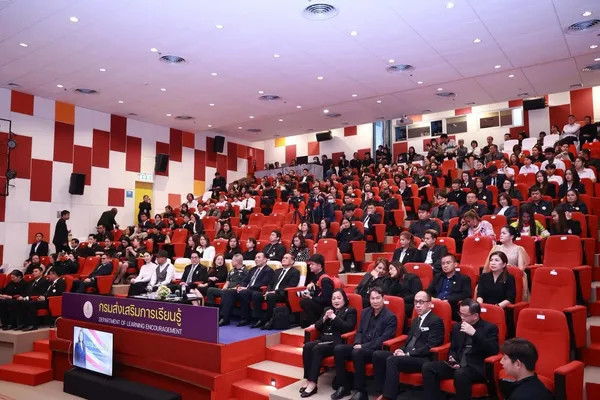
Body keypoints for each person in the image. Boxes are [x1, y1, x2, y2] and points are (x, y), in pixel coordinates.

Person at [372, 291, 445, 400]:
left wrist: (408, 354)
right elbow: (408, 340)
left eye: (421, 302)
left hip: (422, 358)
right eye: (416, 302)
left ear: (429, 304)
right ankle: (382, 390)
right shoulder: (415, 320)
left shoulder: (436, 321)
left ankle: (389, 396)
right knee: (378, 355)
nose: (418, 305)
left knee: (392, 360)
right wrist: (401, 350)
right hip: (407, 355)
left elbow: (430, 346)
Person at [422, 299, 499, 400]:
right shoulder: (457, 326)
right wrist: (452, 358)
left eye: (465, 315)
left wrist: (474, 334)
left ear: (475, 315)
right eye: (460, 314)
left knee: (461, 373)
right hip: (457, 363)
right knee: (428, 367)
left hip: (475, 367)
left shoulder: (490, 328)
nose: (462, 317)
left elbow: (493, 350)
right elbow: (453, 348)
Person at [330, 287, 397, 400]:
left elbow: (383, 338)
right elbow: (359, 331)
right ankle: (343, 385)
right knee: (339, 349)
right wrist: (357, 342)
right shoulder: (365, 312)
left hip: (374, 350)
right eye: (372, 298)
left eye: (378, 298)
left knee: (358, 352)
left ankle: (361, 391)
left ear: (383, 298)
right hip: (360, 345)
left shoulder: (390, 317)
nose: (375, 301)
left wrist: (362, 346)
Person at [300, 289, 357, 398]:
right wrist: (324, 318)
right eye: (333, 298)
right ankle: (308, 379)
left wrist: (335, 318)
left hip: (336, 342)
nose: (336, 301)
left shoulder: (350, 311)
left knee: (317, 349)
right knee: (307, 346)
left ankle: (313, 383)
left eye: (339, 298)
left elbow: (348, 328)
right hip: (323, 339)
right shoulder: (327, 309)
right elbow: (317, 326)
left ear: (345, 299)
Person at [219, 252, 274, 326]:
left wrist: (246, 288)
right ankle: (224, 318)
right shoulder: (252, 269)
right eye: (255, 257)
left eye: (258, 257)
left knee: (243, 292)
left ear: (265, 260)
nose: (256, 259)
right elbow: (245, 280)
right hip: (247, 289)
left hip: (257, 290)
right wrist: (240, 287)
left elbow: (263, 283)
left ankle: (245, 318)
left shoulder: (268, 270)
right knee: (228, 292)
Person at [252, 253, 300, 329]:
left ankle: (268, 319)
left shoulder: (295, 272)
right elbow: (270, 284)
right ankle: (260, 318)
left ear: (292, 261)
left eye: (286, 258)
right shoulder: (277, 271)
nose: (283, 259)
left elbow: (291, 285)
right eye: (283, 258)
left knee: (271, 296)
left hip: (283, 294)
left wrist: (275, 292)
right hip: (271, 293)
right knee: (256, 295)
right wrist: (268, 291)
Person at [427, 254, 472, 320]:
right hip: (435, 304)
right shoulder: (438, 277)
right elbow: (428, 291)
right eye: (443, 263)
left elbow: (466, 294)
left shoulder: (464, 278)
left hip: (452, 306)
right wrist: (432, 298)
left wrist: (448, 300)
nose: (445, 265)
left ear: (455, 264)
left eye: (448, 263)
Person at [299, 254, 335, 328]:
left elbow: (326, 300)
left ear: (319, 266)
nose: (310, 266)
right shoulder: (315, 276)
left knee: (305, 301)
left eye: (312, 264)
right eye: (310, 264)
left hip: (325, 306)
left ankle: (315, 323)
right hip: (318, 302)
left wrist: (311, 297)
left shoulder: (325, 280)